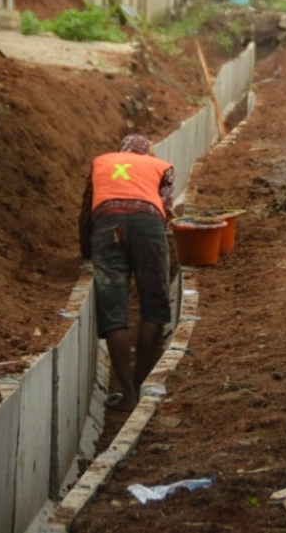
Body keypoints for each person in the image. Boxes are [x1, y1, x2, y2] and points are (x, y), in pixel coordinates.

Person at [78, 133, 175, 413]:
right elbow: (165, 208)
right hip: (149, 226)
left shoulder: (102, 163)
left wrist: (87, 249)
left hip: (108, 225)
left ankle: (127, 391)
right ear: (147, 153)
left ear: (121, 150)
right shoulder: (162, 167)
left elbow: (87, 211)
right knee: (154, 306)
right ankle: (140, 382)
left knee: (114, 308)